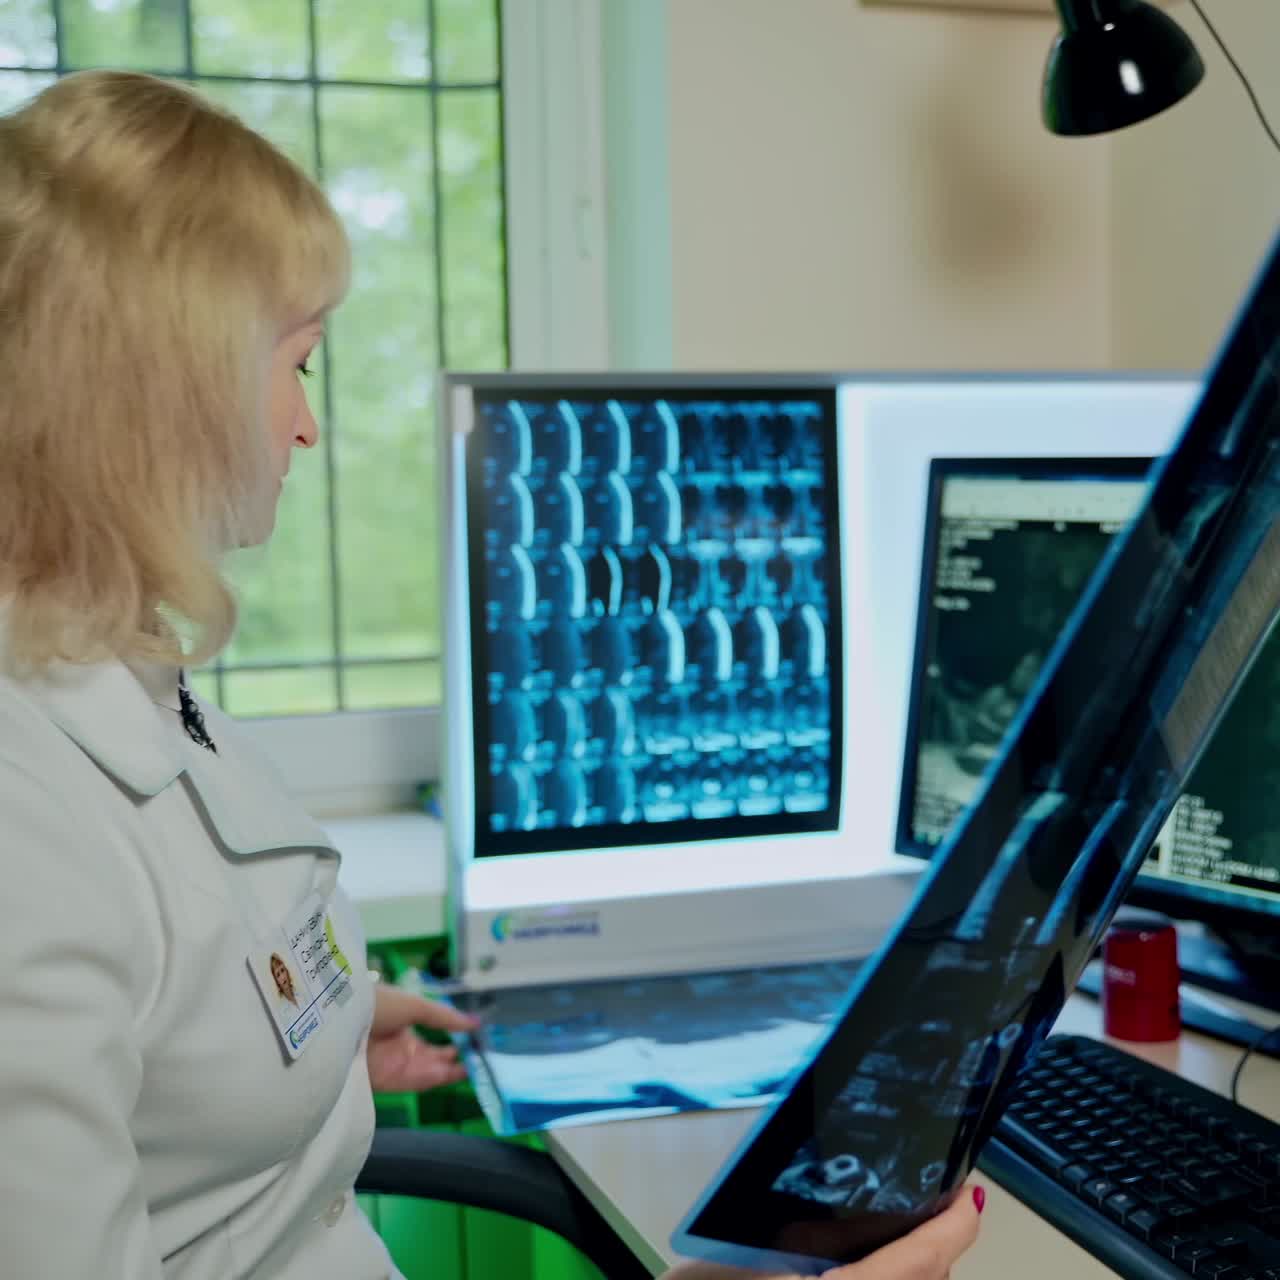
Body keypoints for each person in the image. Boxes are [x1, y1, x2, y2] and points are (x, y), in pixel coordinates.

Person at [0, 71, 984, 1280]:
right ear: (162, 385)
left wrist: (317, 1035)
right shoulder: (22, 813)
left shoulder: (113, 667)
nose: (305, 425)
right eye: (296, 361)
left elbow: (162, 1021)